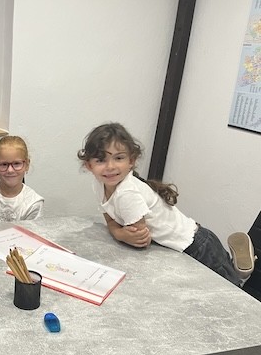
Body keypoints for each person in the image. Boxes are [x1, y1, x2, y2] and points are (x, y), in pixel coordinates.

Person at [77, 122, 255, 285]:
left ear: (131, 161)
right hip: (191, 241)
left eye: (118, 158)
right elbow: (111, 220)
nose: (110, 167)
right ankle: (236, 266)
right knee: (224, 276)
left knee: (232, 288)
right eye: (100, 160)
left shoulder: (127, 193)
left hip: (197, 247)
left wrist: (119, 233)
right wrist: (118, 232)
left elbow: (140, 239)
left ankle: (241, 272)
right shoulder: (100, 185)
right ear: (89, 165)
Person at [0, 136, 44, 222]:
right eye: (4, 164)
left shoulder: (33, 203)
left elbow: (31, 230)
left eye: (17, 164)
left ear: (27, 165)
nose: (10, 170)